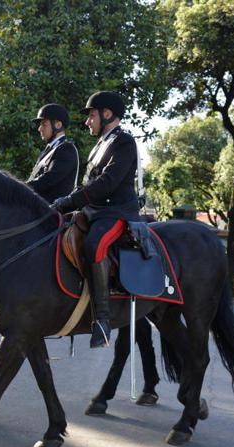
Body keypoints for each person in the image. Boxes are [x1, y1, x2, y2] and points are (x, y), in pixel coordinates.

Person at [53, 91, 140, 348]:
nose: (88, 122)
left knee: (95, 245)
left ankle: (101, 320)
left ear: (107, 114)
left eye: (91, 116)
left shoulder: (124, 142)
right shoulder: (100, 144)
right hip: (93, 211)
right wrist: (66, 204)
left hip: (117, 212)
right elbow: (87, 184)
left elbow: (107, 183)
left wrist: (69, 201)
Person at [28, 103, 79, 203]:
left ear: (58, 125)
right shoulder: (48, 150)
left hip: (53, 210)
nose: (39, 128)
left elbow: (49, 179)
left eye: (44, 124)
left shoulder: (66, 148)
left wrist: (20, 187)